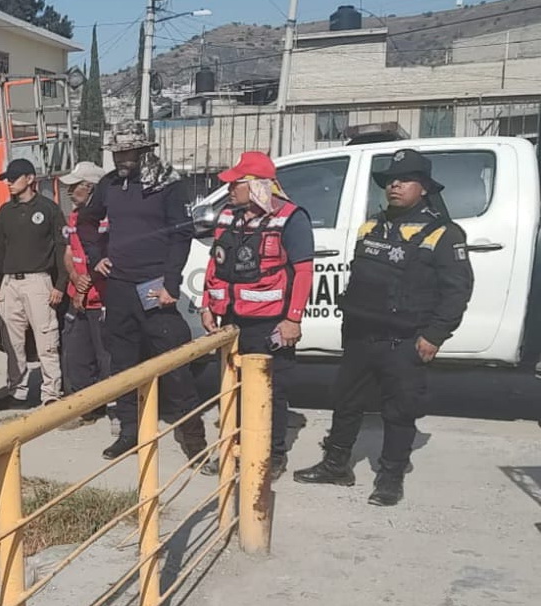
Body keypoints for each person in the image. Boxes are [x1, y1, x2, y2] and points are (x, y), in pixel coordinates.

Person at [294, 149, 474, 506]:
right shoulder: (372, 226)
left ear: (423, 187)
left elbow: (457, 291)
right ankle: (336, 466)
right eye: (391, 180)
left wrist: (435, 334)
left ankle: (390, 477)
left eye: (404, 180)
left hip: (405, 340)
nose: (394, 185)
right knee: (345, 403)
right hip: (362, 336)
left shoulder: (444, 233)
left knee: (400, 411)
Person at [90, 120, 205, 461]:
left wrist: (171, 283)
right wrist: (96, 256)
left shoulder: (167, 184)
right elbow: (86, 220)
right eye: (117, 153)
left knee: (174, 364)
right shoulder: (109, 184)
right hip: (120, 286)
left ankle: (195, 442)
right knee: (123, 365)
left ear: (143, 150)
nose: (121, 158)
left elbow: (181, 234)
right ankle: (130, 432)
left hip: (155, 286)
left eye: (127, 152)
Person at [199, 151, 315, 480]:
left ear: (259, 185)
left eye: (237, 182)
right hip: (232, 320)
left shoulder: (291, 218)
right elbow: (215, 263)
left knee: (272, 390)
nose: (230, 188)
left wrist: (293, 319)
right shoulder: (228, 216)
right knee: (231, 388)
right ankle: (230, 449)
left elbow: (304, 272)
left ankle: (272, 454)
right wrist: (207, 303)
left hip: (270, 322)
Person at [0, 158, 68, 409]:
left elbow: (61, 249)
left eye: (14, 178)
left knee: (46, 339)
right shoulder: (5, 212)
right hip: (10, 283)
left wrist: (60, 284)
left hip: (39, 281)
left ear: (30, 179)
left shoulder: (48, 209)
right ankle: (17, 391)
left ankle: (51, 392)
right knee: (12, 341)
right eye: (7, 179)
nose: (9, 183)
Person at [58, 161, 115, 429]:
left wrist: (84, 286)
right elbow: (70, 254)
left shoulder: (108, 218)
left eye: (73, 187)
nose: (69, 192)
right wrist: (75, 280)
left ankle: (119, 412)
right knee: (76, 354)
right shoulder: (74, 217)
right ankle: (85, 408)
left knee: (108, 357)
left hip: (102, 299)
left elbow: (109, 260)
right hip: (79, 296)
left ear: (89, 188)